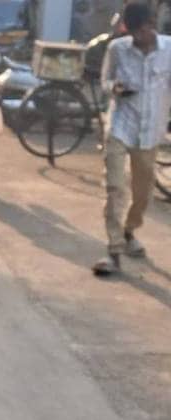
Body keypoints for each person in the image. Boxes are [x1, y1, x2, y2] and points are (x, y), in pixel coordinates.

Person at [92, 3, 171, 276]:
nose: (143, 36)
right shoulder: (118, 50)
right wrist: (114, 88)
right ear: (129, 29)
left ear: (153, 24)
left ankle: (129, 230)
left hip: (150, 132)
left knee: (143, 193)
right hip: (120, 127)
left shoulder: (169, 50)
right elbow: (105, 81)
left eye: (148, 28)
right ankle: (113, 250)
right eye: (138, 31)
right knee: (115, 188)